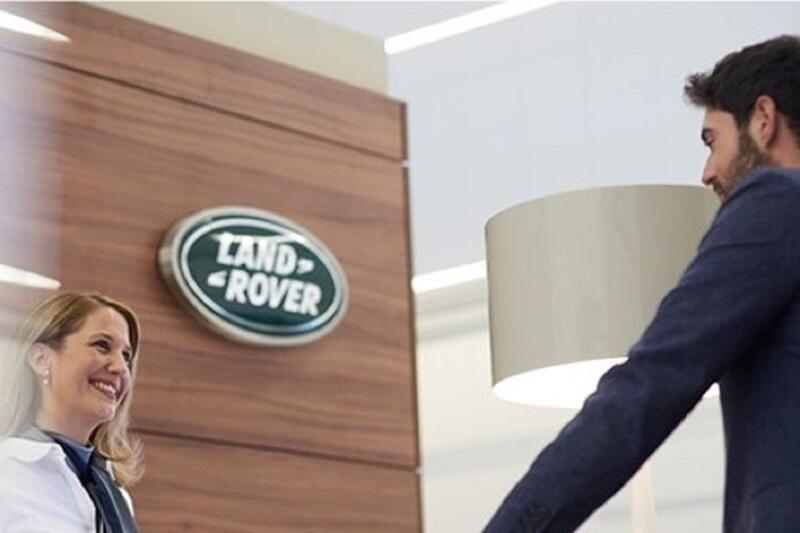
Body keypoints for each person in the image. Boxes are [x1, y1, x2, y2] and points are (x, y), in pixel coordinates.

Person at [484, 35, 800, 532]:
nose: (707, 172)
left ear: (763, 118)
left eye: (712, 141)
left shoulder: (777, 200)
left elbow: (650, 383)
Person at [0, 291, 143, 532]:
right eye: (102, 345)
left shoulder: (117, 498)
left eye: (126, 356)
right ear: (41, 359)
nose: (121, 367)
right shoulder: (5, 474)